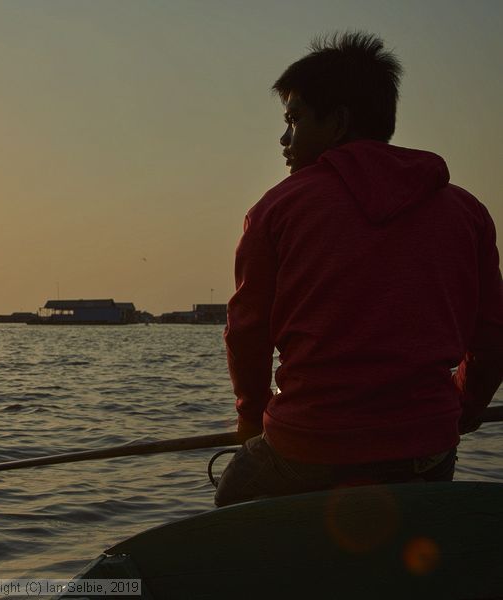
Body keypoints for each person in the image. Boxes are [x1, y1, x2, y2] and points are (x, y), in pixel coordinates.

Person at [214, 32, 503, 507]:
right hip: (426, 447)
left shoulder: (275, 210)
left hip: (307, 444)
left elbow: (247, 332)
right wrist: (463, 410)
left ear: (338, 123)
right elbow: (492, 336)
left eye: (294, 120)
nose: (284, 139)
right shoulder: (468, 213)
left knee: (233, 497)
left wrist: (252, 417)